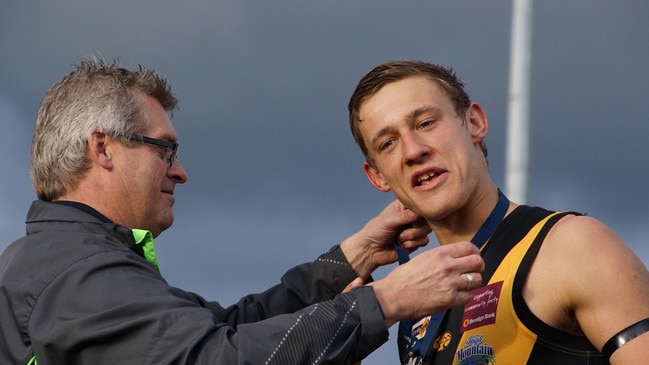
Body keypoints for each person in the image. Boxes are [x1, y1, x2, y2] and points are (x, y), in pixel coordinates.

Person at [0, 58, 485, 365]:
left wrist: (353, 257)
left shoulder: (68, 263)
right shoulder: (75, 273)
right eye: (164, 150)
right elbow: (219, 357)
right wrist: (387, 303)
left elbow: (234, 328)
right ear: (103, 149)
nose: (180, 171)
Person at [347, 60, 649, 364]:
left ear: (475, 123)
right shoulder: (417, 309)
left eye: (426, 123)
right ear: (377, 177)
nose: (413, 151)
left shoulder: (572, 246)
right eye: (388, 143)